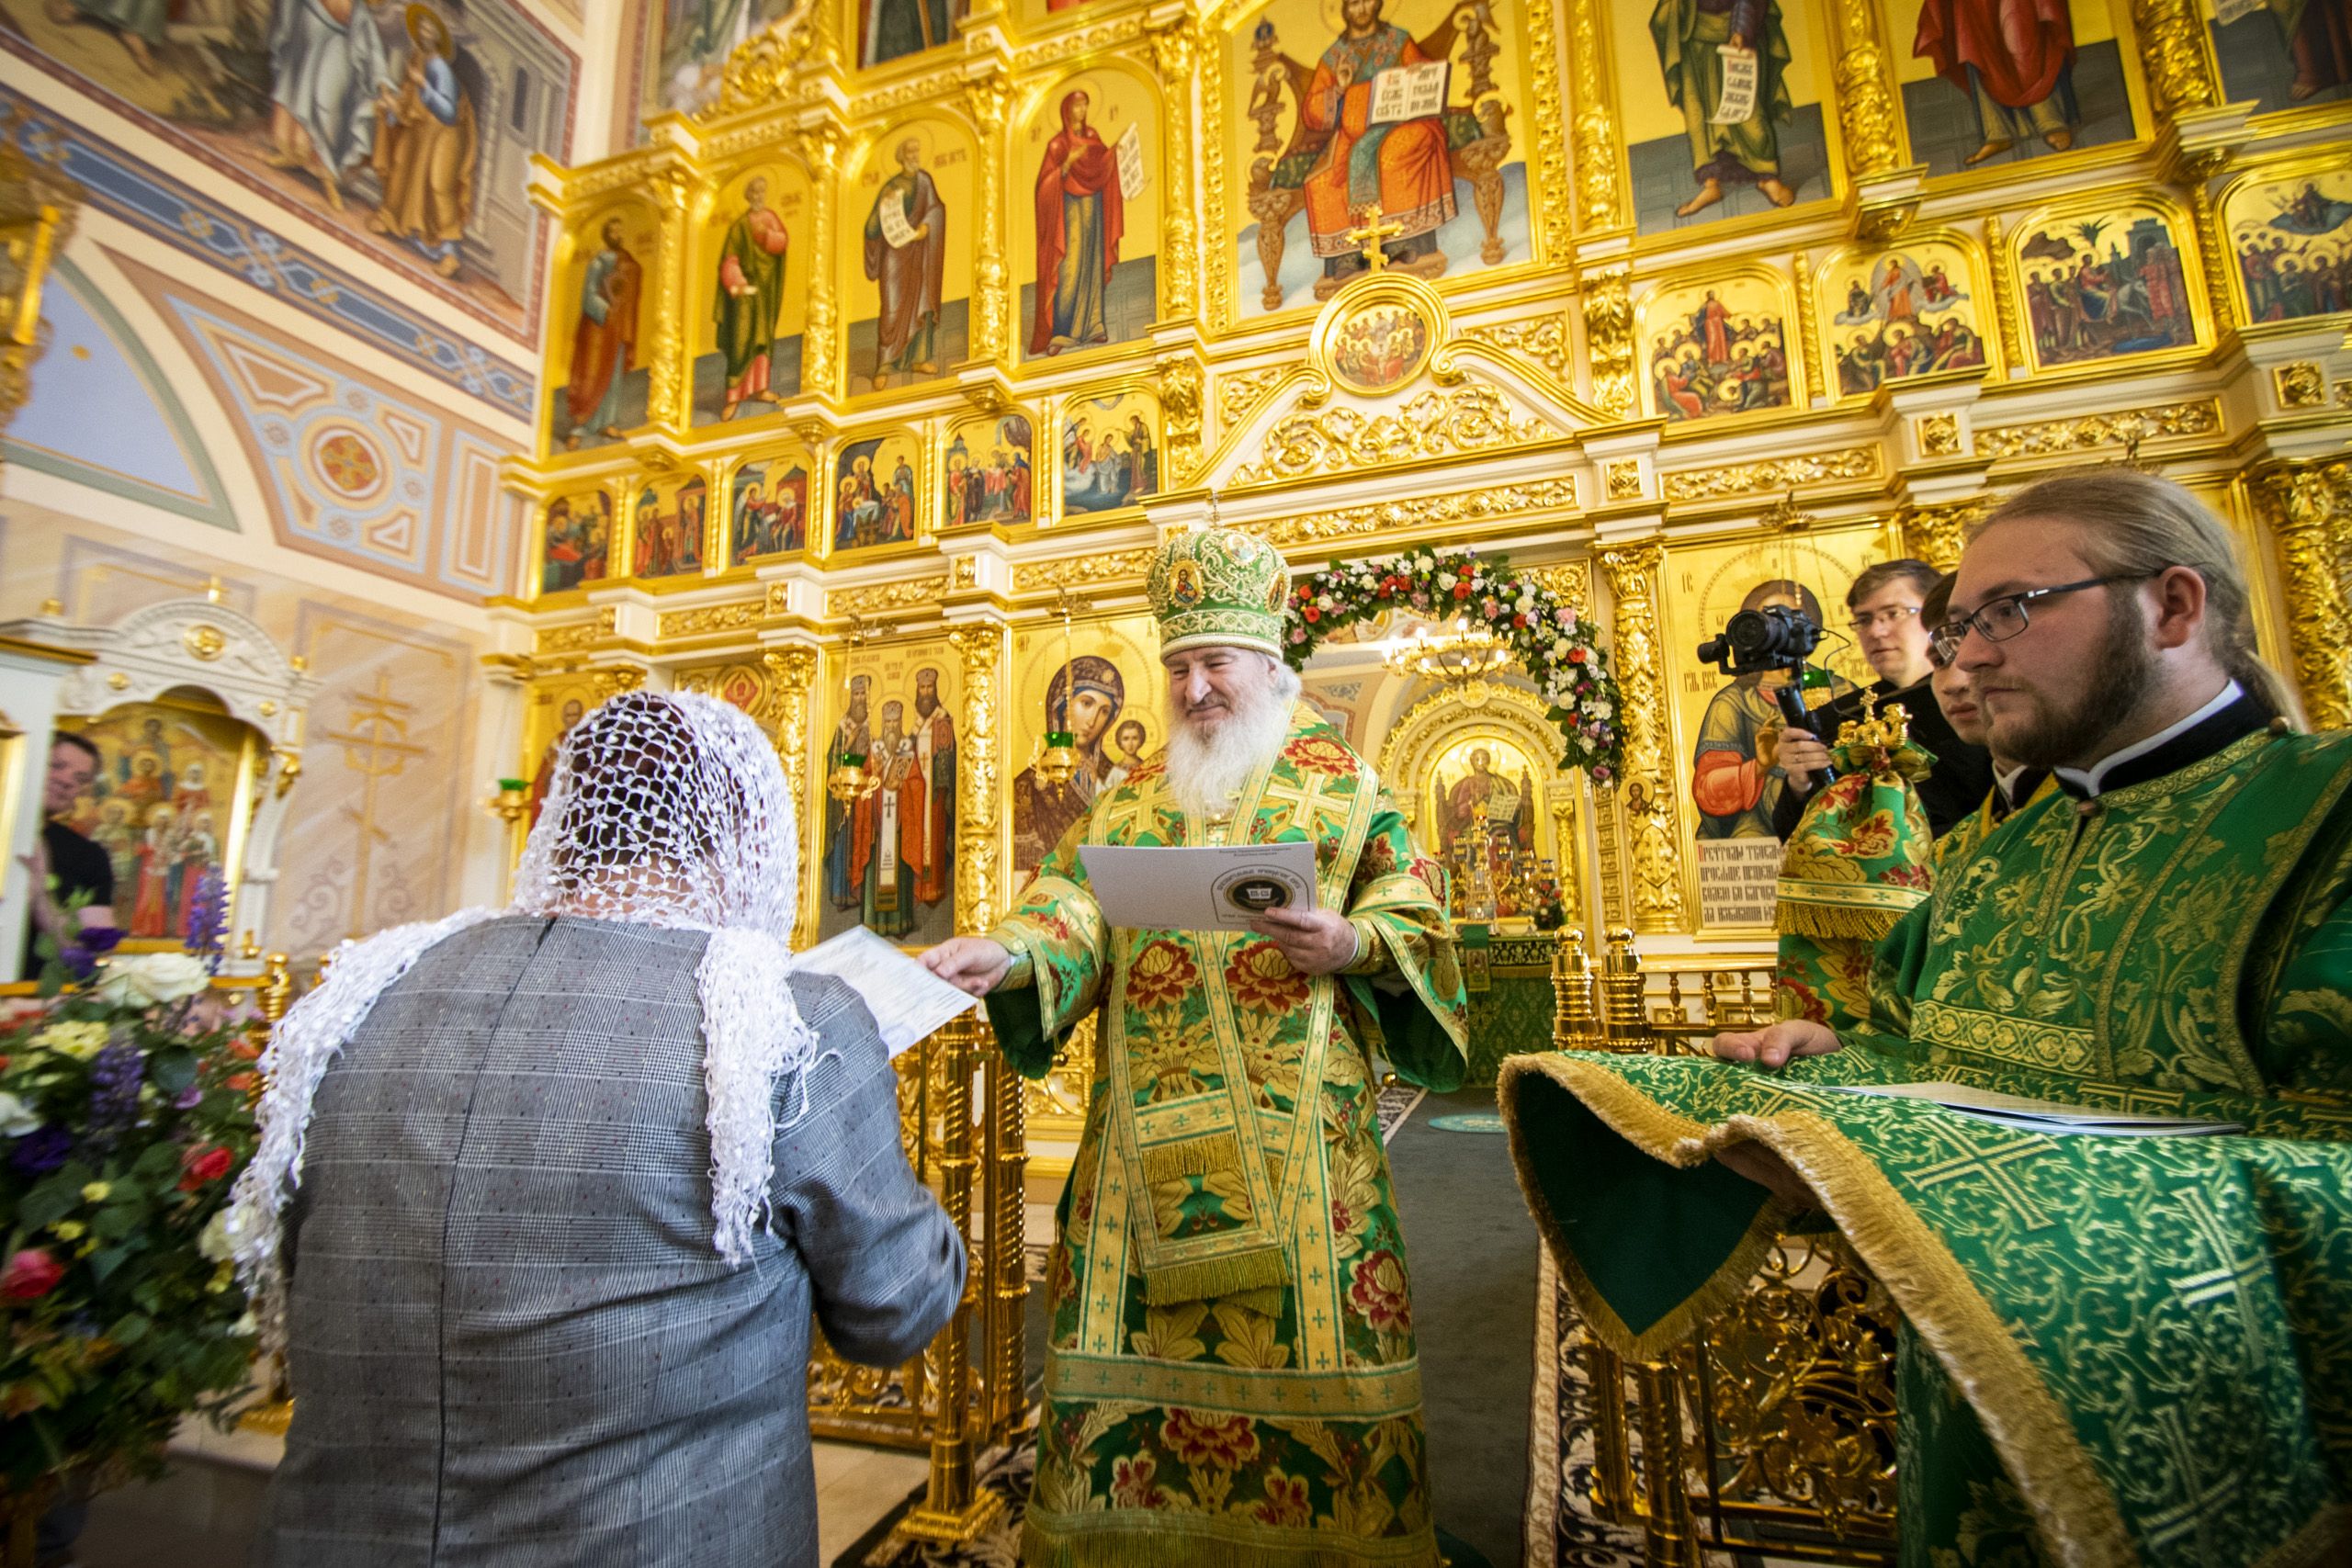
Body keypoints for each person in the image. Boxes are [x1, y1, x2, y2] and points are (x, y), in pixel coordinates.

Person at [1500, 470, 2352, 1568]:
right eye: (1956, 629)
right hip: (1971, 1400)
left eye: (2010, 612)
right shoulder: (1995, 853)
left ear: (2172, 607)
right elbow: (1924, 1045)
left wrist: (1898, 1158)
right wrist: (1839, 1060)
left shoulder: (2325, 817)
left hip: (2230, 1447)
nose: (1968, 658)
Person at [235, 691, 965, 1567]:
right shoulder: (782, 1021)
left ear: (566, 817)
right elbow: (894, 1309)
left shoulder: (365, 991)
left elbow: (296, 1255)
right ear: (742, 832)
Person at [923, 525, 1468, 1568]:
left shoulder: (1347, 785)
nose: (1193, 687)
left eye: (1214, 661)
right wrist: (1010, 952)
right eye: (1177, 666)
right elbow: (1073, 908)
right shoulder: (1130, 797)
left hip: (1304, 1144)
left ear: (1268, 663)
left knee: (1322, 1330)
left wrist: (1351, 942)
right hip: (1141, 1139)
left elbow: (1417, 914)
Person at [1769, 558, 1993, 840]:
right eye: (1864, 620)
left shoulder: (1986, 694)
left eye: (1894, 613)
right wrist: (1800, 783)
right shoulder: (1838, 717)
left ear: (1937, 614)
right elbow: (1796, 835)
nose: (1876, 631)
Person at [1301, 0, 1456, 297]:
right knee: (1322, 181)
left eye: (1367, 0)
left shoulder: (1398, 41)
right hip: (1352, 136)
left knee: (1392, 158)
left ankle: (1405, 240)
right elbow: (1312, 111)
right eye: (1354, 3)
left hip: (1402, 124)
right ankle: (1349, 253)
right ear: (1344, 9)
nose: (1361, 9)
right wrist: (1339, 89)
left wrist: (1418, 73)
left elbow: (1426, 77)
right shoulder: (1334, 57)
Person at [1652, 0, 1799, 216]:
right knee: (1699, 113)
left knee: (1749, 110)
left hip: (1736, 32)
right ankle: (1711, 184)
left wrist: (1741, 28)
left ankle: (1767, 176)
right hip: (1694, 35)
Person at [368, 6, 478, 278]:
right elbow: (409, 101)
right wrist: (392, 107)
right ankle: (390, 218)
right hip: (421, 130)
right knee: (401, 163)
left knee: (439, 185)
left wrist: (424, 85)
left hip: (446, 134)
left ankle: (451, 252)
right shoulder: (416, 59)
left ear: (439, 36)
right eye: (422, 26)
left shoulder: (439, 67)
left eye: (430, 27)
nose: (424, 31)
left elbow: (448, 111)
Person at [266, 0, 392, 213]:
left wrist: (383, 86)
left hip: (336, 57)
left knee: (328, 112)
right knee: (297, 95)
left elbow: (373, 49)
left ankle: (327, 177)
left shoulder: (359, 10)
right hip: (306, 45)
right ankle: (294, 155)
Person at [1031, 89, 1125, 356]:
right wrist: (1066, 165)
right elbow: (1043, 187)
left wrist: (1115, 153)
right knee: (1069, 267)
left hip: (1092, 208)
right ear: (1067, 110)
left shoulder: (1092, 137)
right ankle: (1062, 331)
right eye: (1077, 106)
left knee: (1092, 262)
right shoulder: (1057, 145)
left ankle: (1093, 325)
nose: (1082, 110)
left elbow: (1102, 165)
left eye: (1085, 105)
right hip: (1068, 212)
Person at [19, 734, 116, 981]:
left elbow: (92, 956)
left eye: (80, 779)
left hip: (30, 994)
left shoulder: (89, 856)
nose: (66, 781)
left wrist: (41, 898)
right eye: (56, 765)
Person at [862, 139, 946, 390]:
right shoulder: (891, 187)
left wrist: (927, 225)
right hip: (895, 254)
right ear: (901, 156)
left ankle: (919, 359)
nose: (914, 155)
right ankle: (885, 364)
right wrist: (884, 208)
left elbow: (936, 208)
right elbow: (871, 227)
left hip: (920, 251)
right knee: (892, 306)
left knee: (921, 301)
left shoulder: (924, 181)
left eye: (916, 150)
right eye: (909, 151)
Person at [714, 174, 791, 421]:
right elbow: (729, 260)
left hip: (765, 289)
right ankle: (733, 397)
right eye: (755, 192)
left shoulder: (770, 218)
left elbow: (782, 242)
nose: (759, 196)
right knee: (741, 341)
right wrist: (738, 284)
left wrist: (767, 235)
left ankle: (760, 388)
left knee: (763, 339)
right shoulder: (739, 227)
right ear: (748, 196)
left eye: (762, 191)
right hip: (745, 293)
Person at [562, 218, 642, 449]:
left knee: (614, 374)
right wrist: (605, 309)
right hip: (598, 328)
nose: (617, 235)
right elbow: (589, 294)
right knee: (593, 372)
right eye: (613, 231)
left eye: (620, 231)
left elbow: (629, 282)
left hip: (618, 326)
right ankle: (581, 425)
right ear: (606, 235)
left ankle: (607, 421)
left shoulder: (627, 259)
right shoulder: (598, 262)